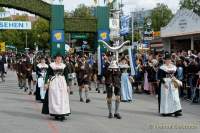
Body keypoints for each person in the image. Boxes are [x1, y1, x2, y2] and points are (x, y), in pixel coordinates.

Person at [42, 53, 70, 121]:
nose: (59, 59)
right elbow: (47, 74)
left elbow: (66, 76)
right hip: (54, 82)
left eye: (60, 58)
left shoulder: (64, 66)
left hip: (62, 83)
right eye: (57, 58)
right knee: (55, 98)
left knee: (62, 98)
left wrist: (68, 85)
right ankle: (56, 113)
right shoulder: (51, 65)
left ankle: (62, 113)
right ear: (55, 58)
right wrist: (46, 83)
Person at [157, 52, 182, 117]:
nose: (168, 61)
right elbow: (159, 76)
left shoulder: (174, 67)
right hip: (165, 83)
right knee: (166, 98)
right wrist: (164, 83)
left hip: (172, 83)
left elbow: (176, 74)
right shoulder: (162, 67)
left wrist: (175, 79)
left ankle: (176, 111)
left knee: (175, 97)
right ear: (164, 60)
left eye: (169, 59)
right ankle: (166, 111)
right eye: (166, 59)